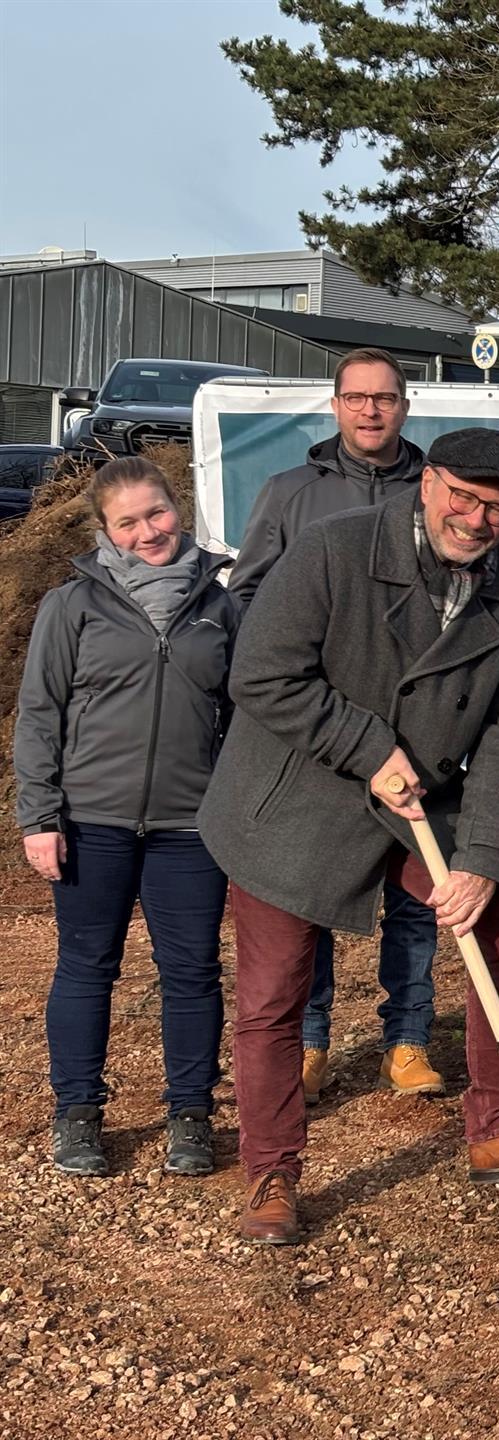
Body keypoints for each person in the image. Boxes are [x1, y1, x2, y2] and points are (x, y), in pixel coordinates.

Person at [198, 428, 499, 1244]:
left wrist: (484, 859)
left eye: (497, 509)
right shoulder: (333, 551)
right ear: (428, 484)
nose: (477, 519)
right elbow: (261, 673)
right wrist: (366, 747)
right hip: (296, 794)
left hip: (421, 797)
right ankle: (271, 1171)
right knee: (275, 993)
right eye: (464, 497)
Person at [15, 458, 242, 1179]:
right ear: (105, 531)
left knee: (192, 971)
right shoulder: (71, 605)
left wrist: (234, 807)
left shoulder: (220, 606)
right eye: (128, 522)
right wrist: (39, 815)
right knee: (87, 967)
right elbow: (40, 714)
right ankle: (78, 1114)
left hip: (191, 828)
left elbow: (242, 716)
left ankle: (190, 1115)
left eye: (157, 513)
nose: (148, 532)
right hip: (91, 821)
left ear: (178, 508)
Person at [230, 347, 441, 1106]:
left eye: (384, 398)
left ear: (405, 406)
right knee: (311, 893)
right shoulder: (292, 493)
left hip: (413, 731)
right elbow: (248, 598)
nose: (370, 411)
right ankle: (311, 1042)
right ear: (336, 405)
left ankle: (407, 1041)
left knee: (415, 899)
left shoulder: (434, 490)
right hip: (321, 734)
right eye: (357, 398)